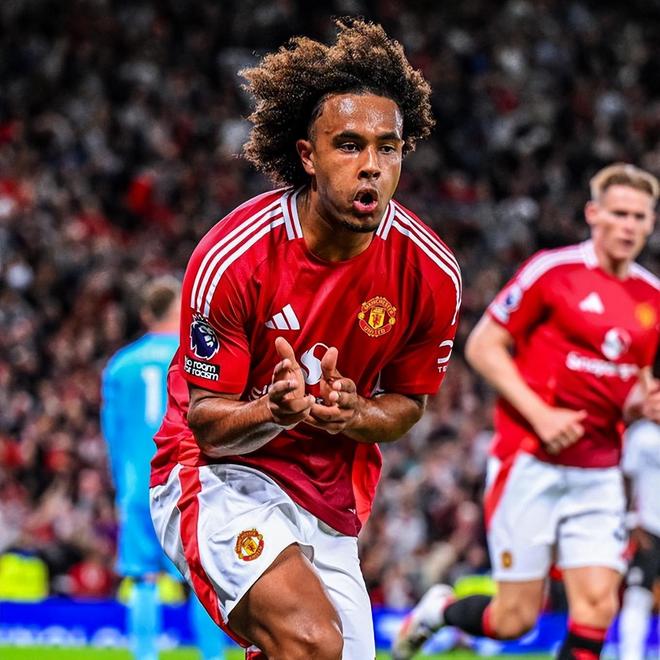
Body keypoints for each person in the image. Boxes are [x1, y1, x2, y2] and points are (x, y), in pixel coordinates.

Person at [148, 17, 461, 660]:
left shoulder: (432, 273)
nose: (370, 166)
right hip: (216, 475)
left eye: (388, 148)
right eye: (348, 145)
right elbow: (207, 426)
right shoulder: (233, 258)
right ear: (308, 156)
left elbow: (408, 404)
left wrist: (356, 413)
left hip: (326, 493)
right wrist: (272, 410)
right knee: (312, 640)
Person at [393, 162, 660, 660]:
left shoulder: (652, 298)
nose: (628, 225)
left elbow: (633, 388)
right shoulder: (553, 272)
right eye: (618, 213)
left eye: (639, 216)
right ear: (593, 214)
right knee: (514, 620)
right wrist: (541, 415)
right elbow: (483, 346)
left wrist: (641, 406)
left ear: (650, 223)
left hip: (599, 471)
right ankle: (440, 611)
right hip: (529, 462)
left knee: (598, 606)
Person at [101, 276, 226, 660]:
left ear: (145, 314)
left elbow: (112, 435)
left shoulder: (120, 365)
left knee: (143, 578)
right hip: (188, 483)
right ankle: (212, 657)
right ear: (180, 309)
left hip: (137, 485)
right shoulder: (197, 358)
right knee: (202, 580)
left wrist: (122, 486)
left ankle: (144, 656)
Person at [618, 419, 660, 660]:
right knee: (637, 594)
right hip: (648, 527)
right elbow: (626, 477)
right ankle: (630, 655)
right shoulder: (641, 435)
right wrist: (631, 520)